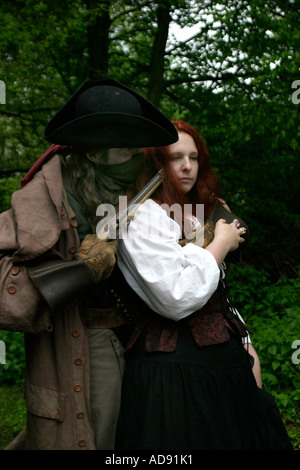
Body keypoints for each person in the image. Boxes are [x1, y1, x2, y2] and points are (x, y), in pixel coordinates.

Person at [0, 79, 178, 450]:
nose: (138, 154)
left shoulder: (120, 182)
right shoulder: (41, 201)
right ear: (94, 155)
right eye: (125, 147)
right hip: (85, 342)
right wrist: (84, 268)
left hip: (136, 338)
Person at [116, 120, 293, 450]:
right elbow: (175, 296)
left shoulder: (195, 215)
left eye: (194, 157)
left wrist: (245, 343)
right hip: (172, 375)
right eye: (175, 158)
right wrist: (221, 243)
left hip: (223, 366)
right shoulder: (140, 217)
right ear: (156, 163)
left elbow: (218, 293)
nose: (187, 166)